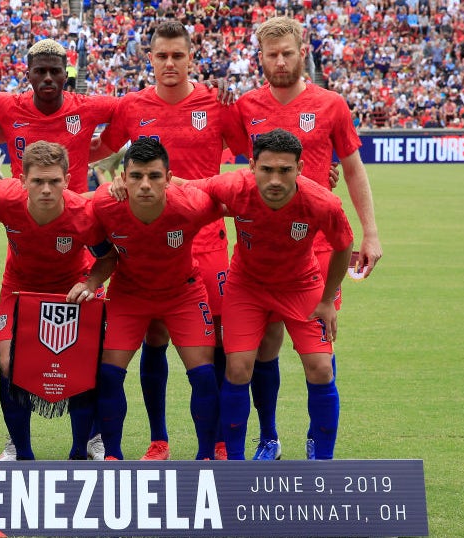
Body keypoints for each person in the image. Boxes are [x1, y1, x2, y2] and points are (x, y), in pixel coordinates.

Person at [93, 20, 248, 461]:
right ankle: (158, 439)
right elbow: (100, 153)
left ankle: (218, 442)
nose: (169, 63)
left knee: (216, 343)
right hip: (151, 244)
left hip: (206, 240)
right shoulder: (132, 106)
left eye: (178, 55)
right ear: (150, 59)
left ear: (191, 57)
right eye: (161, 56)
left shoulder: (216, 103)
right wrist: (106, 181)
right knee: (154, 336)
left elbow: (255, 157)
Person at [235, 16, 382, 460]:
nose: (280, 62)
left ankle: (319, 447)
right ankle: (269, 437)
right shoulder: (244, 106)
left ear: (303, 53)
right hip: (262, 249)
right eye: (271, 54)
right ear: (260, 57)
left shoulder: (331, 105)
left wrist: (370, 232)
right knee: (265, 345)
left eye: (287, 53)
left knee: (319, 352)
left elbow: (352, 169)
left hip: (318, 249)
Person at [190, 128, 354, 460]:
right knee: (238, 368)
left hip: (301, 285)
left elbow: (344, 245)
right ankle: (237, 463)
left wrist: (327, 299)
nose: (275, 179)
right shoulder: (234, 186)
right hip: (247, 286)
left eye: (285, 170)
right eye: (266, 169)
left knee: (321, 368)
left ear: (300, 168)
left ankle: (322, 461)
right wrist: (123, 187)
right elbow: (185, 187)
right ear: (252, 166)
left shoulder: (322, 201)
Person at [71, 137, 223, 460]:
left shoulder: (191, 204)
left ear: (169, 178)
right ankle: (113, 457)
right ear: (122, 178)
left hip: (183, 292)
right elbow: (67, 205)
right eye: (136, 176)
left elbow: (242, 200)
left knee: (203, 375)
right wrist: (91, 281)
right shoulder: (105, 204)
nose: (144, 184)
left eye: (154, 176)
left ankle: (206, 457)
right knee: (109, 374)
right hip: (130, 293)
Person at [0, 141, 100, 462]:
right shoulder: (6, 200)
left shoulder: (84, 212)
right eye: (37, 181)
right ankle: (20, 451)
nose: (46, 189)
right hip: (18, 290)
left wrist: (90, 283)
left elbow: (108, 257)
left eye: (54, 181)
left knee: (86, 365)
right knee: (8, 364)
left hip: (72, 291)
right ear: (22, 181)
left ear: (67, 180)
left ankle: (83, 448)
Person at [0, 39, 118, 195]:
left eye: (54, 71)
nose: (48, 78)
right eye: (40, 71)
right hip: (23, 208)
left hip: (74, 209)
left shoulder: (87, 107)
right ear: (28, 76)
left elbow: (130, 107)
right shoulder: (8, 106)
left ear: (65, 76)